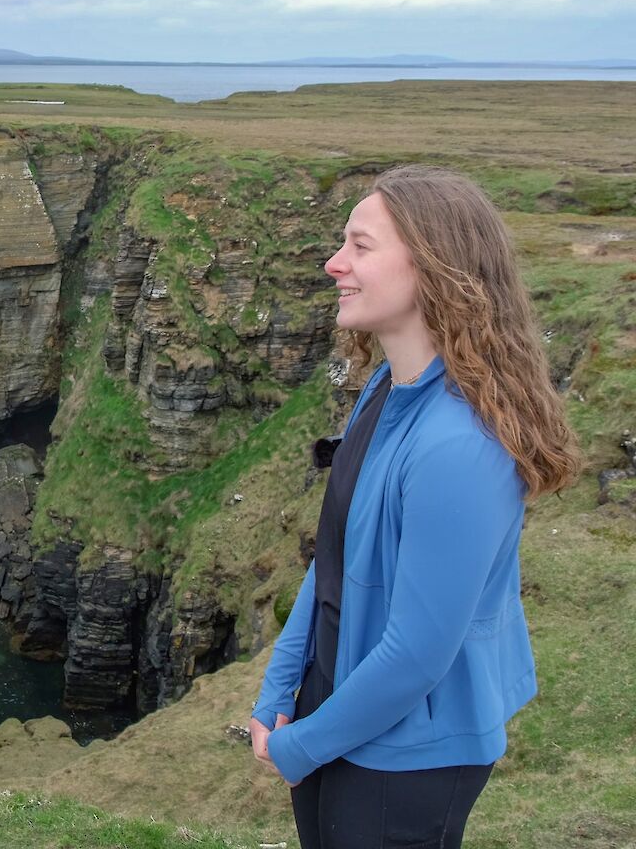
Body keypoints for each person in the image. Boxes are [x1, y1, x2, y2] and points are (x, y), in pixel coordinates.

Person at [248, 165, 580, 848]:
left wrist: (304, 744)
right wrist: (280, 693)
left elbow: (418, 654)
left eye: (360, 246)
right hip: (339, 709)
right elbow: (334, 560)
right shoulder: (383, 392)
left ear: (434, 264)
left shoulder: (461, 444)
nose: (334, 263)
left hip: (408, 753)